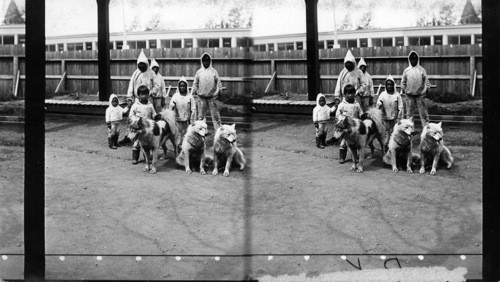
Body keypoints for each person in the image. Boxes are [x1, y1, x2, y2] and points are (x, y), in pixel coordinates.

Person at [118, 50, 160, 145]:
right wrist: (129, 98)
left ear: (146, 64)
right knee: (132, 119)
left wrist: (149, 93)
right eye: (139, 64)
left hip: (148, 99)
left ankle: (150, 137)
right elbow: (131, 86)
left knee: (148, 120)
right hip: (137, 100)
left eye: (143, 64)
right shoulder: (135, 73)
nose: (141, 66)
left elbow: (157, 86)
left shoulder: (151, 73)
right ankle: (128, 137)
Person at [192, 52, 223, 131]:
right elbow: (195, 84)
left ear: (210, 61)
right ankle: (201, 132)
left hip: (212, 97)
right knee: (201, 117)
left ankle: (218, 132)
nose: (206, 62)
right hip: (201, 98)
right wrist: (192, 93)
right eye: (204, 61)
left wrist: (220, 91)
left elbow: (218, 83)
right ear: (202, 61)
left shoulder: (214, 72)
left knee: (216, 117)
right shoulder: (199, 72)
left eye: (208, 61)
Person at [401, 50, 431, 126]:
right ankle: (410, 131)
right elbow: (403, 82)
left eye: (415, 59)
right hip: (409, 95)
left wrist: (428, 88)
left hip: (420, 95)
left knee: (424, 115)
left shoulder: (422, 70)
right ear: (409, 60)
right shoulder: (406, 70)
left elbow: (426, 80)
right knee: (409, 115)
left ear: (417, 60)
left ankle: (426, 130)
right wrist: (404, 89)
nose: (413, 61)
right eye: (411, 59)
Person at [129, 85, 157, 165]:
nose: (144, 96)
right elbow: (131, 116)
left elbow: (154, 114)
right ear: (138, 95)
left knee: (147, 142)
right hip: (138, 127)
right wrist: (137, 121)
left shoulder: (150, 105)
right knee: (137, 142)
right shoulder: (135, 105)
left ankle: (147, 157)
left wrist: (156, 117)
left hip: (147, 128)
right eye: (142, 94)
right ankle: (135, 157)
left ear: (148, 95)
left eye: (145, 94)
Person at [336, 84, 363, 164]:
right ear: (345, 94)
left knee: (355, 142)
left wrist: (362, 116)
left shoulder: (356, 104)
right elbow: (337, 115)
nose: (350, 95)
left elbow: (360, 113)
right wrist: (342, 120)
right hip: (345, 127)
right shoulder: (342, 105)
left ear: (355, 93)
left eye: (352, 93)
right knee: (344, 142)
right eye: (348, 93)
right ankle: (342, 157)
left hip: (354, 128)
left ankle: (355, 157)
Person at [376, 75, 403, 151]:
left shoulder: (397, 95)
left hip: (394, 118)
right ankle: (385, 149)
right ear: (385, 85)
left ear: (393, 85)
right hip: (385, 118)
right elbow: (378, 104)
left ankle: (393, 149)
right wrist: (380, 105)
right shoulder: (382, 95)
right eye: (388, 84)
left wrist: (399, 117)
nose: (389, 86)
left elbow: (400, 107)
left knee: (393, 133)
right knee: (385, 134)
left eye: (391, 84)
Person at [170, 76, 196, 153]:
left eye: (184, 86)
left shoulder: (190, 96)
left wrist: (192, 119)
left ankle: (185, 151)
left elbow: (193, 109)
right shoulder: (175, 96)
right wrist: (173, 106)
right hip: (177, 120)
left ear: (186, 86)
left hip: (186, 120)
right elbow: (171, 105)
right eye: (181, 86)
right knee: (178, 136)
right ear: (178, 86)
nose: (182, 87)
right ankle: (177, 151)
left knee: (186, 135)